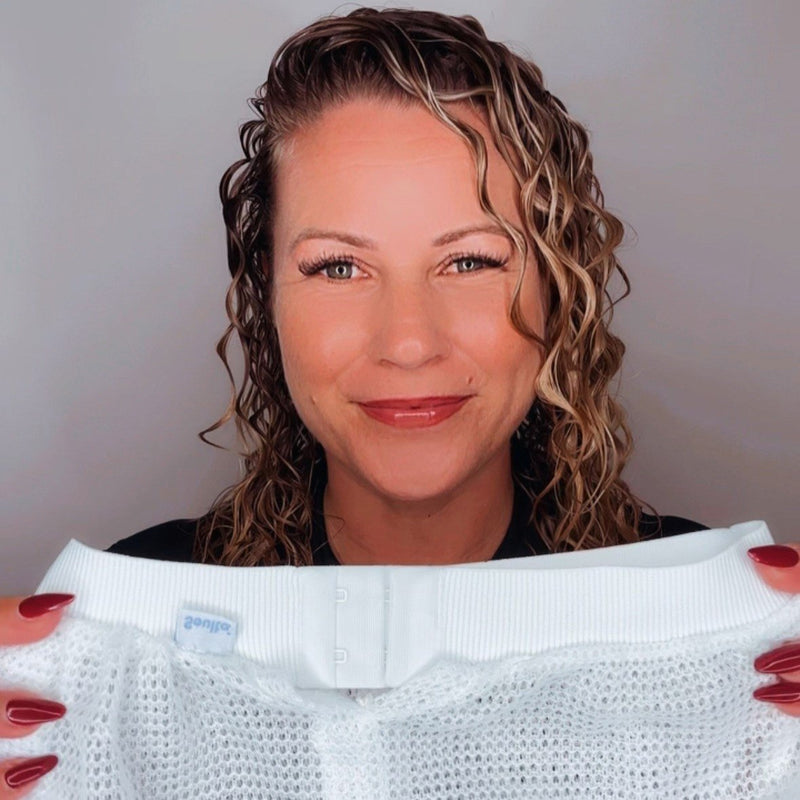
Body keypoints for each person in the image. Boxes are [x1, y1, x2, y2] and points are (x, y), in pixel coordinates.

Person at [2, 7, 799, 795]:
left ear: (560, 292)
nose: (410, 342)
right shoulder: (123, 640)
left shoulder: (734, 651)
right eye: (338, 267)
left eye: (471, 261)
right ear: (264, 298)